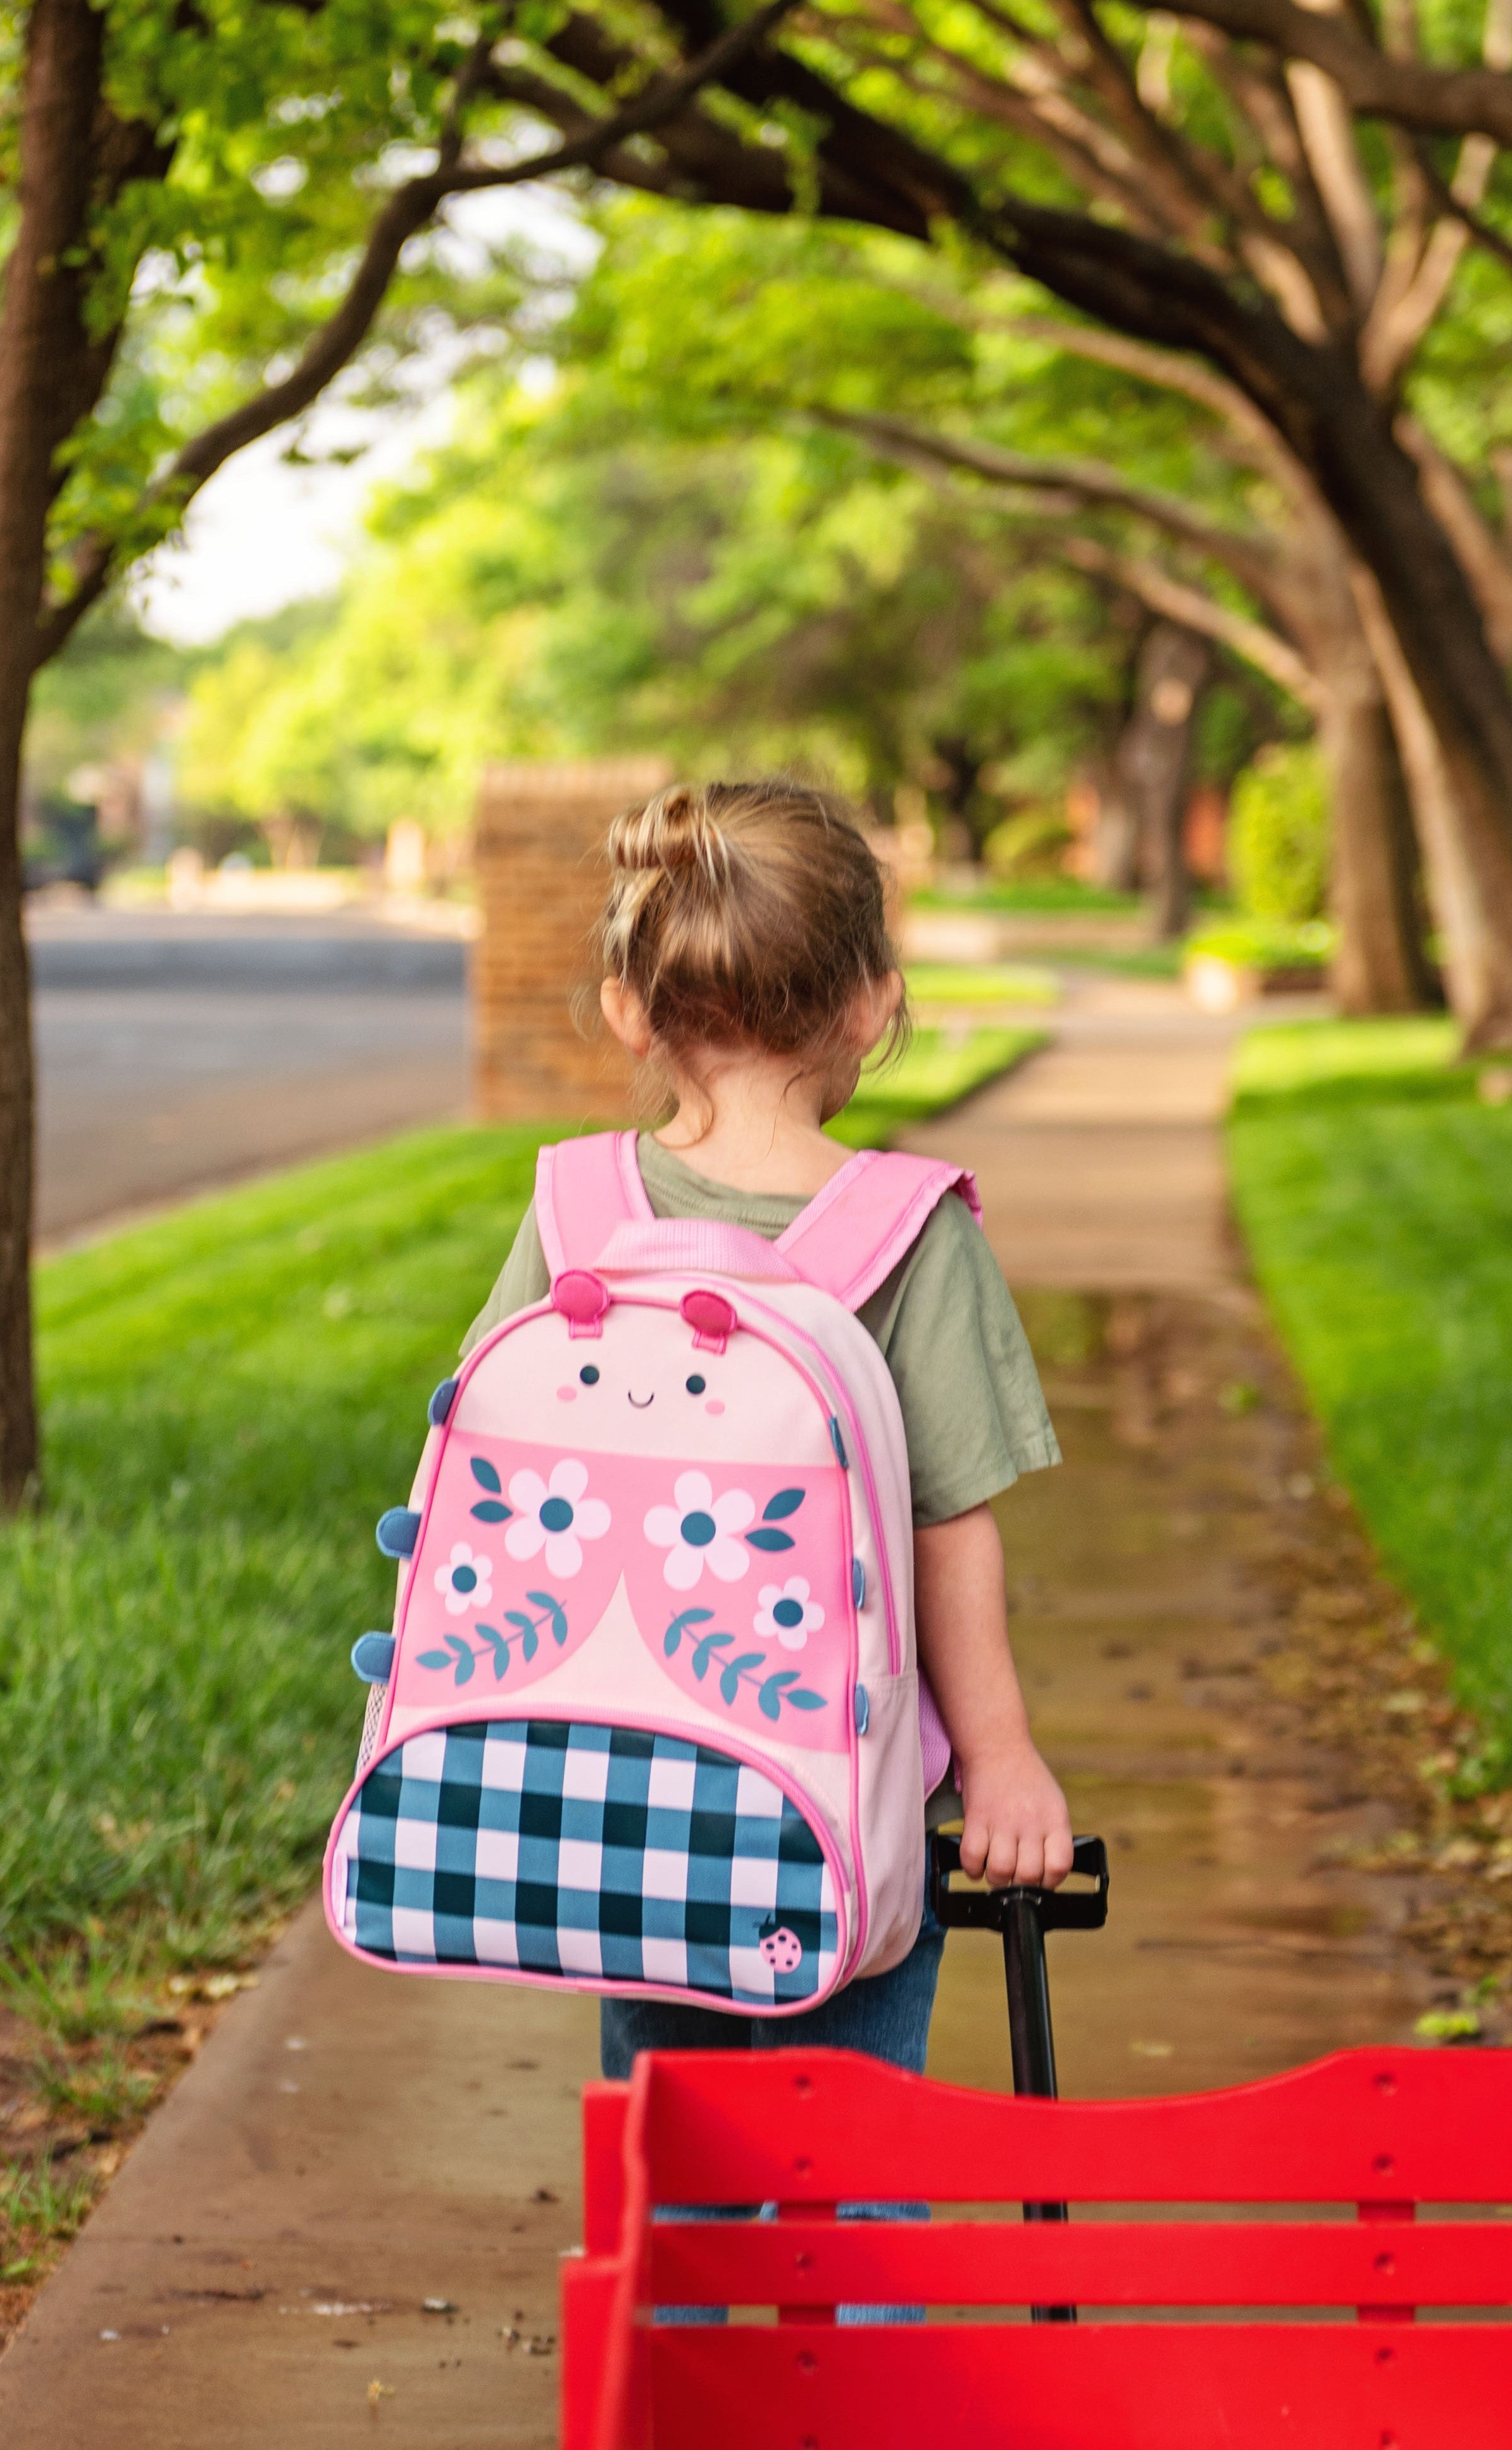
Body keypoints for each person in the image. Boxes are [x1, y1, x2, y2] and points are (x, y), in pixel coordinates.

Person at [458, 776, 1072, 2090]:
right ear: (874, 1001)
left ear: (630, 1008)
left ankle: (665, 2297)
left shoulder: (576, 1213)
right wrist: (1005, 1761)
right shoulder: (910, 1233)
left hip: (616, 1791)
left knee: (668, 2137)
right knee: (850, 2155)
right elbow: (951, 1526)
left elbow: (488, 1457)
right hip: (841, 1811)